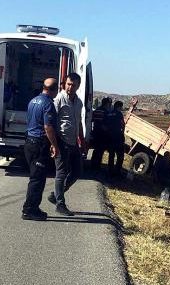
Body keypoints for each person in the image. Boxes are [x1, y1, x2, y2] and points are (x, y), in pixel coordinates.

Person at [21, 78, 60, 220]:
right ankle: (30, 209)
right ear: (54, 90)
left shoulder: (33, 101)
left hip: (29, 142)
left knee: (35, 177)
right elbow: (48, 127)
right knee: (37, 179)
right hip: (39, 144)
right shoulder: (48, 104)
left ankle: (32, 207)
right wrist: (54, 145)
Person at [48, 73, 85, 216]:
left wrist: (81, 140)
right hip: (61, 141)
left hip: (73, 142)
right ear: (65, 84)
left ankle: (56, 194)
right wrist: (53, 144)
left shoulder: (79, 102)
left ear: (78, 86)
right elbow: (51, 121)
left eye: (73, 85)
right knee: (61, 173)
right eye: (68, 84)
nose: (70, 87)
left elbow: (79, 122)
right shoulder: (59, 99)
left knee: (77, 172)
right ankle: (60, 204)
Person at [105, 101, 126, 177]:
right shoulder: (119, 114)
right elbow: (123, 124)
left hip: (110, 137)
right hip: (118, 137)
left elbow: (106, 125)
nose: (121, 109)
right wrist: (122, 133)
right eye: (121, 107)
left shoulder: (109, 113)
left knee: (111, 155)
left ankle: (110, 171)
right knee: (120, 156)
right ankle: (117, 171)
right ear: (119, 107)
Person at [90, 97, 111, 169]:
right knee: (100, 150)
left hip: (95, 132)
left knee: (96, 150)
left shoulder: (96, 110)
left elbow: (92, 120)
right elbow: (104, 123)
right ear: (107, 104)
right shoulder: (105, 112)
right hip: (102, 134)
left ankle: (93, 164)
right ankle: (97, 166)